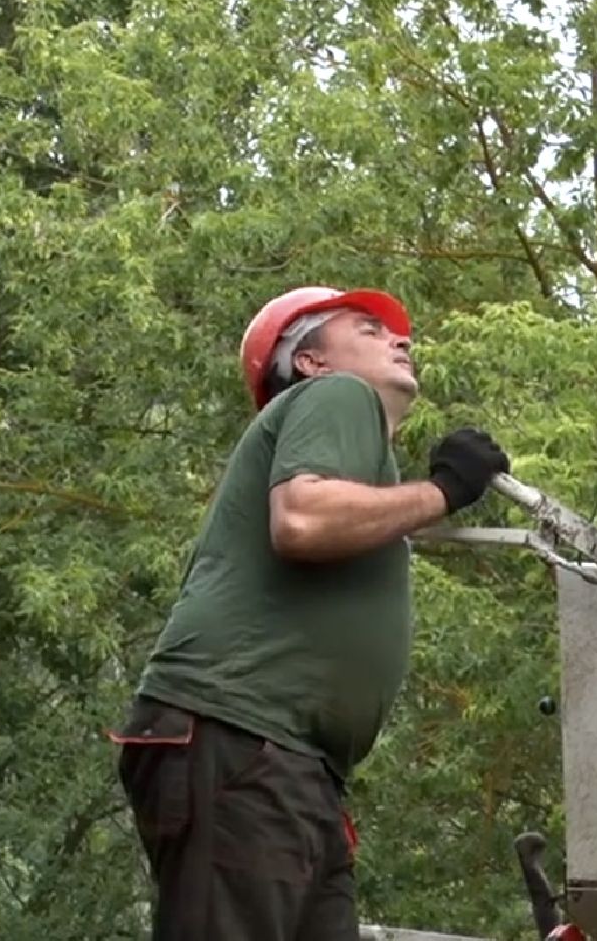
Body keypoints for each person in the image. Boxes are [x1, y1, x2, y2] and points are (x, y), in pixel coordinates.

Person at [108, 285, 511, 940]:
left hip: (284, 762)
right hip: (243, 739)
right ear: (310, 362)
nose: (399, 338)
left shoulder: (355, 455)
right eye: (369, 328)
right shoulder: (336, 395)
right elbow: (302, 519)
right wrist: (443, 491)